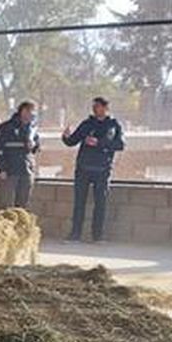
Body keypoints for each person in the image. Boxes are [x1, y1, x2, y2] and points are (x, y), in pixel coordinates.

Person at [62, 97, 125, 242]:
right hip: (83, 168)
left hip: (102, 169)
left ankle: (97, 235)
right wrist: (65, 137)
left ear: (105, 108)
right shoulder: (86, 124)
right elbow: (72, 141)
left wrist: (99, 142)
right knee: (79, 202)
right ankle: (75, 234)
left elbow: (120, 145)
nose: (95, 109)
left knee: (100, 203)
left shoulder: (114, 125)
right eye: (94, 106)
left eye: (98, 106)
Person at [0, 100, 40, 209]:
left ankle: (20, 225)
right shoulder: (6, 127)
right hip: (9, 171)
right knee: (6, 204)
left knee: (22, 206)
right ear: (22, 111)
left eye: (33, 112)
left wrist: (33, 145)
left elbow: (36, 147)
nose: (31, 115)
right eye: (29, 111)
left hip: (26, 171)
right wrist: (2, 169)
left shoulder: (32, 130)